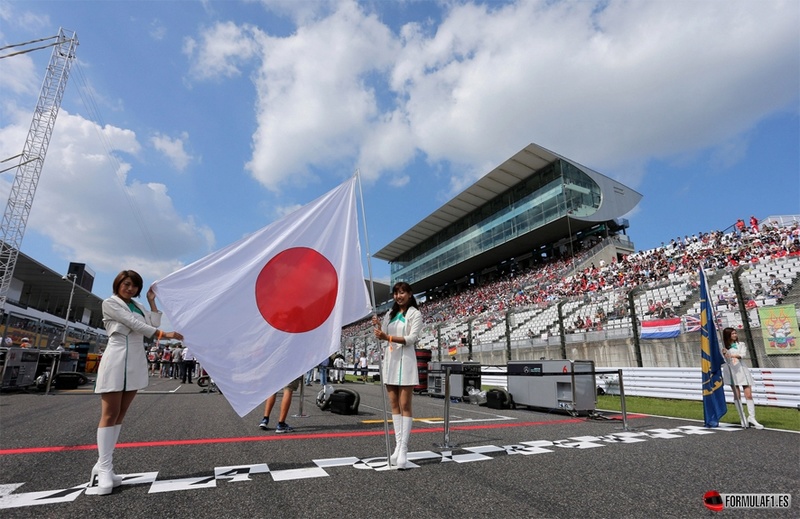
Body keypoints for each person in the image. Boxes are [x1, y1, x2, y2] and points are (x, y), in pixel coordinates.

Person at [91, 270, 184, 495]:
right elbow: (137, 325)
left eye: (134, 286)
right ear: (118, 284)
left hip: (134, 358)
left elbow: (151, 320)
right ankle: (104, 467)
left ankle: (104, 464)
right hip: (116, 357)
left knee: (121, 414)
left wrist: (152, 301)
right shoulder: (110, 303)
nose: (130, 289)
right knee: (109, 414)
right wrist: (167, 335)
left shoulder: (138, 305)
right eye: (127, 284)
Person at [372, 281, 423, 469]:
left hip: (407, 362)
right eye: (396, 293)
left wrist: (388, 337)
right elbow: (381, 336)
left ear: (410, 294)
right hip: (391, 361)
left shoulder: (415, 314)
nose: (399, 296)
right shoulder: (390, 314)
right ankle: (397, 446)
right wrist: (379, 328)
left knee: (405, 405)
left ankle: (404, 449)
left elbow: (411, 339)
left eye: (402, 293)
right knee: (393, 405)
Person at [721, 327, 763, 430]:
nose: (735, 335)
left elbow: (742, 355)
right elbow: (723, 359)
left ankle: (752, 417)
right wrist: (725, 354)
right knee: (737, 395)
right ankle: (742, 417)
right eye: (733, 334)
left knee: (748, 394)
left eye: (735, 333)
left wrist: (732, 355)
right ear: (728, 336)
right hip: (731, 371)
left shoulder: (741, 344)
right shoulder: (723, 347)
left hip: (742, 369)